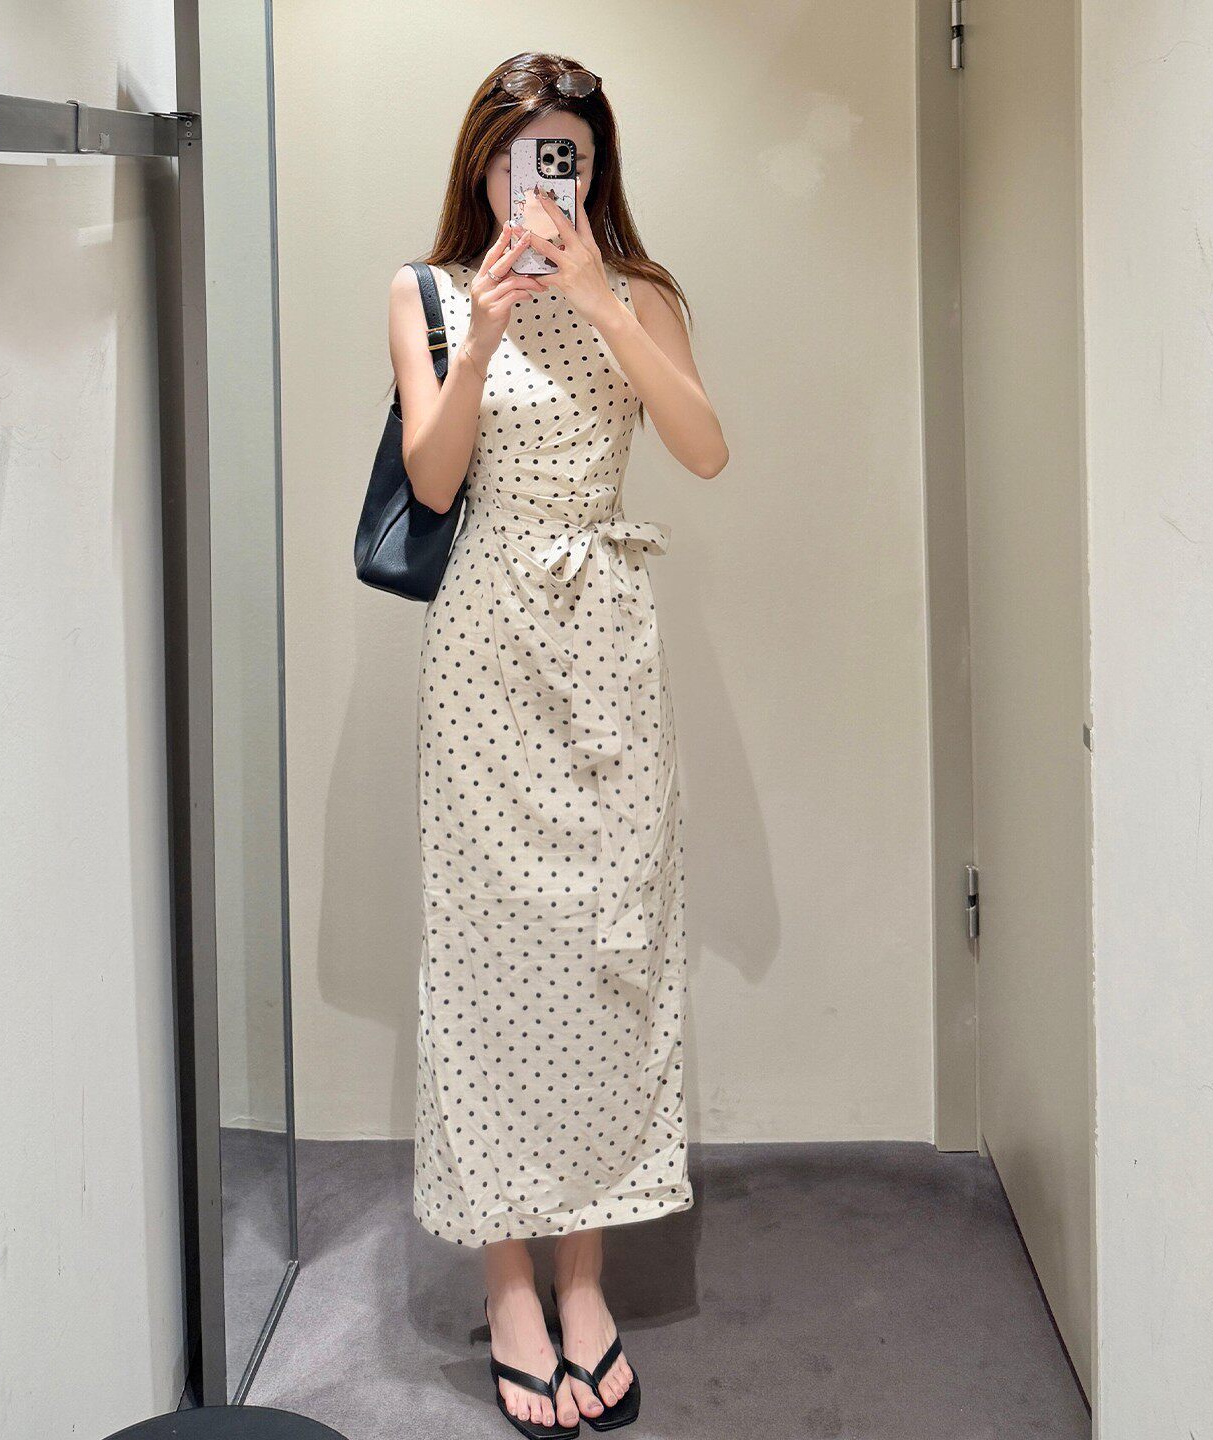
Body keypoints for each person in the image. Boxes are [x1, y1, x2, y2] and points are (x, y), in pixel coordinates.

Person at [388, 51, 727, 1439]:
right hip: (486, 655)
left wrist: (596, 299)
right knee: (486, 964)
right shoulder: (425, 293)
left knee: (605, 957)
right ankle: (509, 1289)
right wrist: (479, 336)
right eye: (523, 151)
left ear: (594, 167)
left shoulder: (642, 292)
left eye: (567, 154)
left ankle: (586, 1283)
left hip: (607, 647)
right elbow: (433, 481)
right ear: (483, 163)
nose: (543, 175)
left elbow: (703, 447)